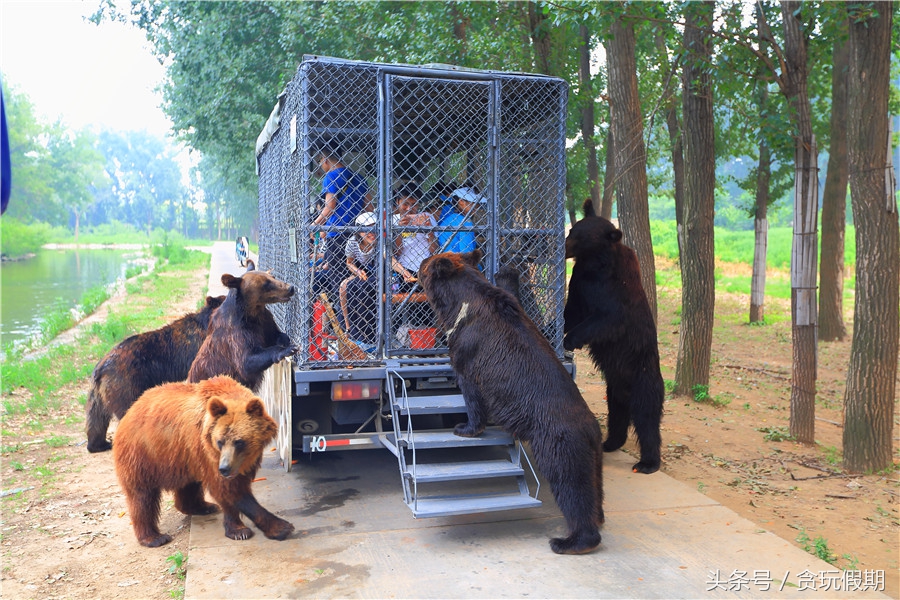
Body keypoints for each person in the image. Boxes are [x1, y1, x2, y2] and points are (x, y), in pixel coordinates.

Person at [340, 211, 414, 343]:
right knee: (345, 287)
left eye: (374, 228)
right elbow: (349, 262)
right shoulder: (352, 242)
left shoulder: (381, 240)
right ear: (359, 230)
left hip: (380, 273)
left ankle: (371, 337)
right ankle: (350, 328)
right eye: (367, 229)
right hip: (361, 272)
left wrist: (403, 271)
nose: (371, 232)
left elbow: (390, 259)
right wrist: (357, 272)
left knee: (366, 288)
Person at [311, 142, 372, 301]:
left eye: (320, 161)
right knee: (358, 276)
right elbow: (369, 207)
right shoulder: (359, 178)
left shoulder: (331, 176)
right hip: (359, 235)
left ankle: (343, 317)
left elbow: (330, 206)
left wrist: (315, 224)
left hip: (337, 236)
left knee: (338, 278)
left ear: (325, 159)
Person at [392, 182, 437, 292]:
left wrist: (429, 230)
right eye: (405, 204)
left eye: (414, 204)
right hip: (403, 270)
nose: (409, 208)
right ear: (398, 202)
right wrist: (399, 230)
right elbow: (397, 252)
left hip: (427, 269)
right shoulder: (392, 221)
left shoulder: (427, 218)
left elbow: (434, 249)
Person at [437, 186, 487, 253]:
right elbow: (467, 252)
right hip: (458, 261)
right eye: (472, 204)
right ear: (461, 202)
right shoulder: (466, 222)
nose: (476, 208)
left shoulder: (450, 219)